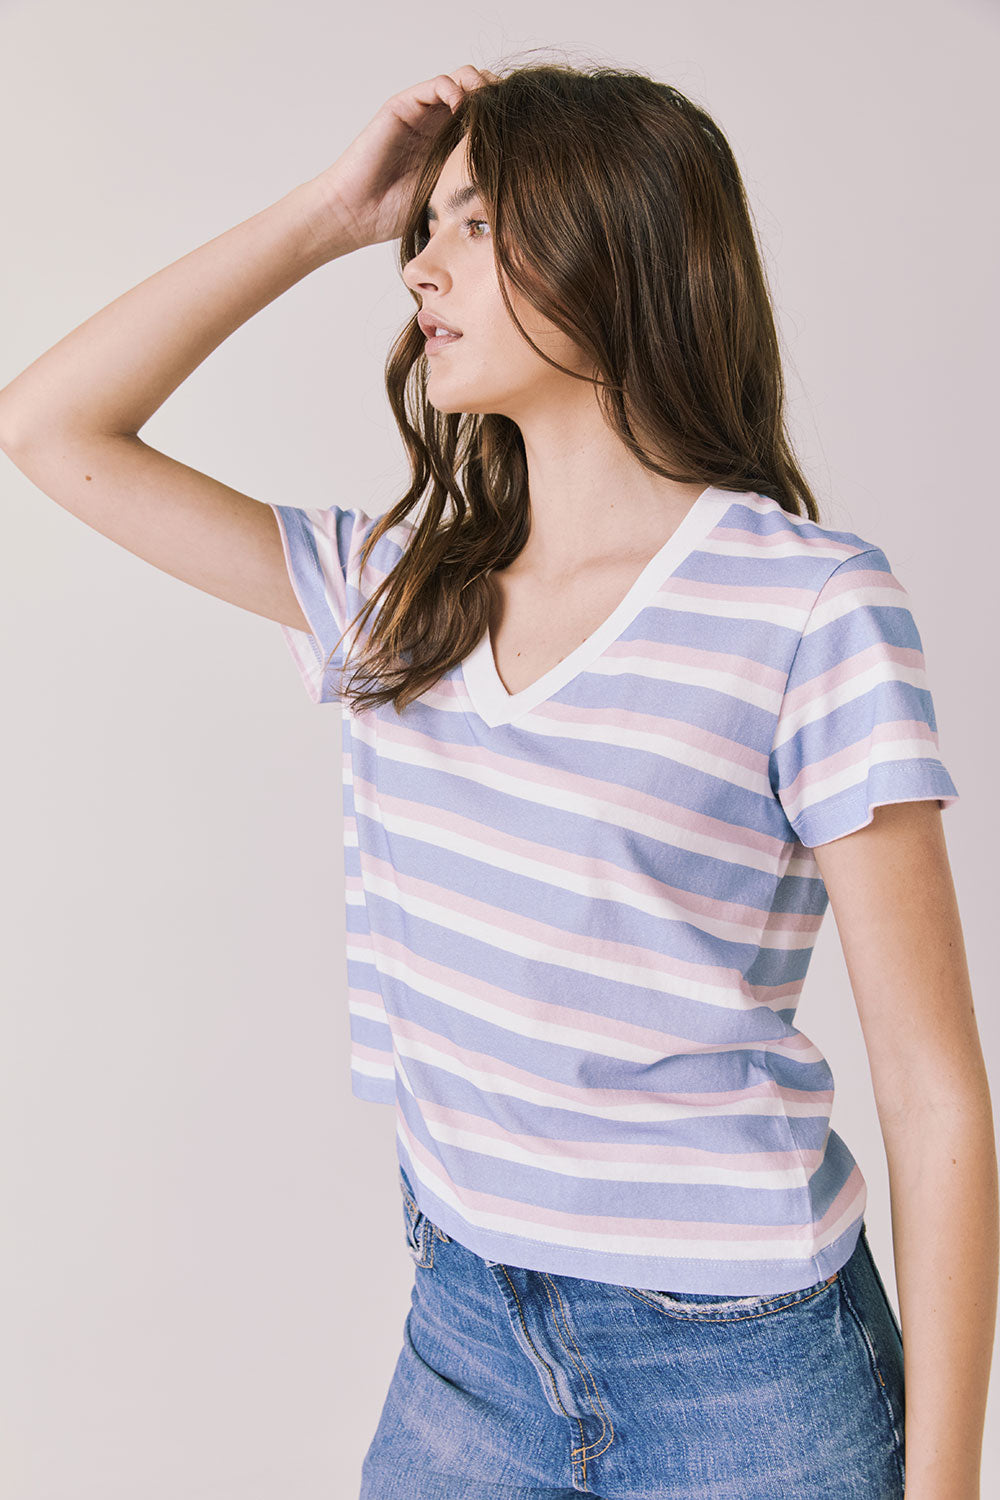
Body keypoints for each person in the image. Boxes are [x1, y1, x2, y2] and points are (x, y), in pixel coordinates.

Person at [0, 55, 995, 1500]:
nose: (421, 265)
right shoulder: (397, 594)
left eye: (478, 224)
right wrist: (327, 212)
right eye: (429, 224)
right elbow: (46, 427)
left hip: (751, 1377)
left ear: (616, 243)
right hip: (467, 1343)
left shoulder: (808, 607)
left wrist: (949, 1485)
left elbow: (935, 1093)